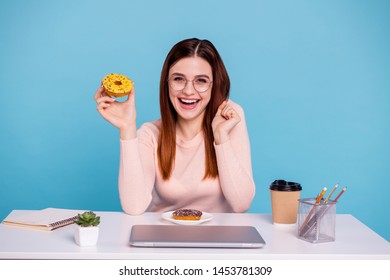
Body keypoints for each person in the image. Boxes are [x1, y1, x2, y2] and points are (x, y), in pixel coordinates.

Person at [94, 38, 255, 215]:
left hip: (219, 239)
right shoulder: (150, 134)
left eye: (201, 81)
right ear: (166, 83)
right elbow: (134, 206)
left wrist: (221, 137)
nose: (188, 91)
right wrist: (127, 128)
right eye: (179, 79)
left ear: (214, 85)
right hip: (163, 237)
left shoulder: (230, 119)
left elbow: (241, 204)